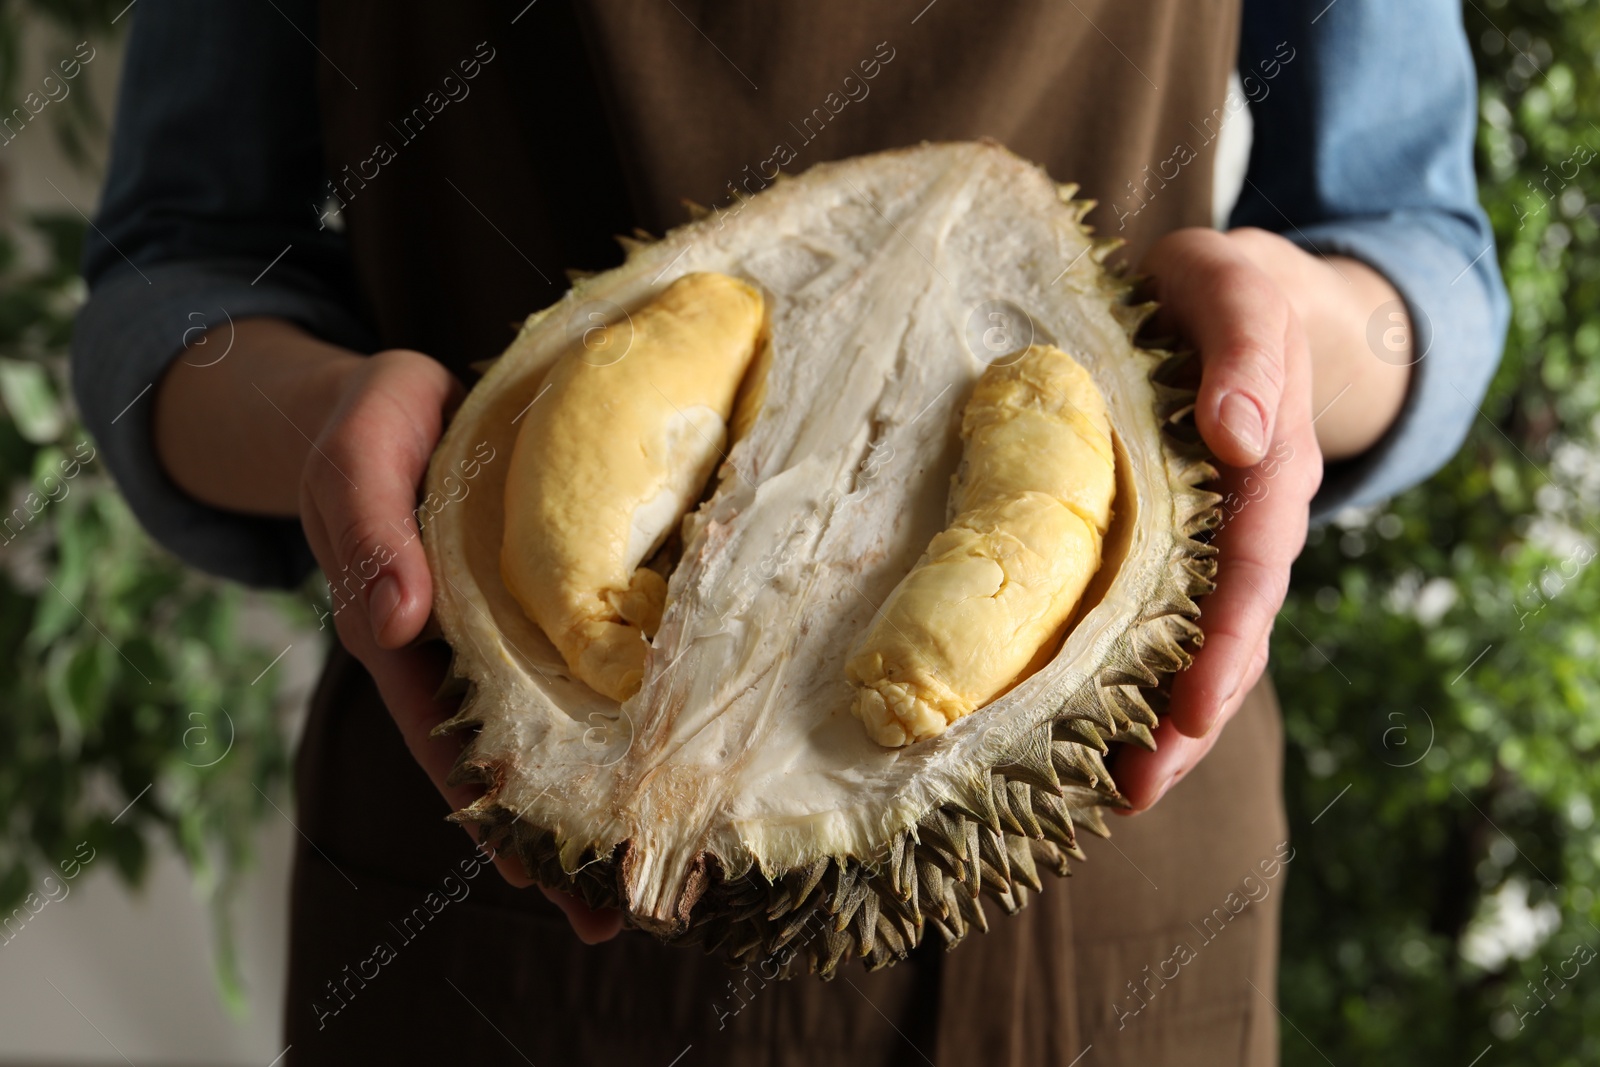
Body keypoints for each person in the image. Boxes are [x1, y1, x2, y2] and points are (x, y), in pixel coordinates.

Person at [70, 1, 1506, 1063]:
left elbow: (1412, 248)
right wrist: (326, 420)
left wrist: (1300, 337)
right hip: (502, 889)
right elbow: (178, 267)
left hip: (1113, 897)